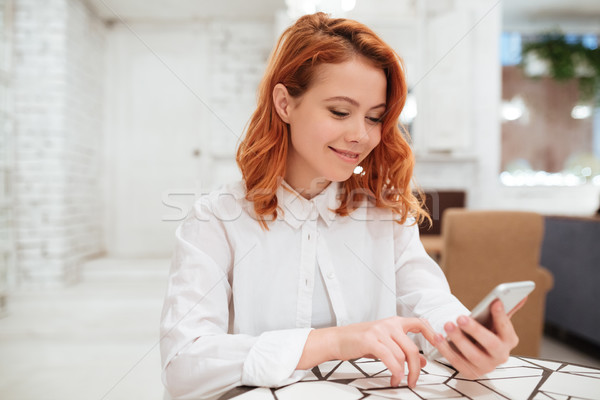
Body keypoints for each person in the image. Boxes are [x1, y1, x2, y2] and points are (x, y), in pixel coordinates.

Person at [160, 12, 522, 400]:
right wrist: (335, 341)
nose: (360, 135)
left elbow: (430, 304)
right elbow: (184, 364)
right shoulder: (216, 218)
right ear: (284, 103)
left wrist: (466, 340)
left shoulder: (386, 215)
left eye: (374, 117)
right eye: (339, 112)